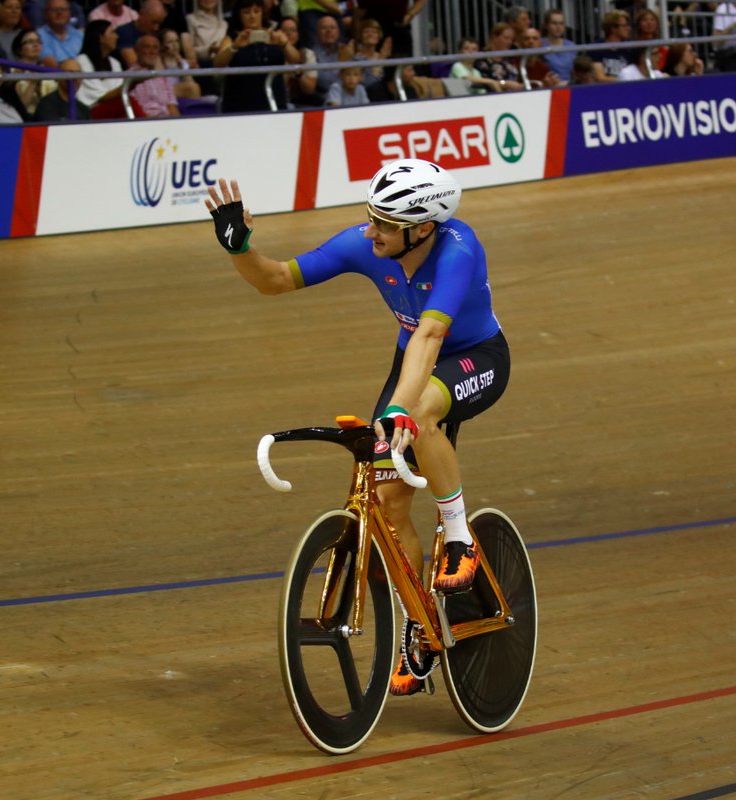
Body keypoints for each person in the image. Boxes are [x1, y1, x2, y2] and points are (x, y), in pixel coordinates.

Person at [204, 158, 510, 694]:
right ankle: (420, 627)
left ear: (423, 228)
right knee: (388, 506)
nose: (371, 232)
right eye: (371, 218)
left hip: (475, 357)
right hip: (412, 363)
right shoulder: (366, 244)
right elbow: (276, 280)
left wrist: (399, 408)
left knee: (419, 413)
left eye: (385, 224)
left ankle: (460, 538)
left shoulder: (458, 249)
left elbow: (430, 338)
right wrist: (239, 249)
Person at [216, 0, 291, 112]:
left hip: (274, 103)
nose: (252, 16)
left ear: (262, 12)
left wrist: (285, 44)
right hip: (240, 105)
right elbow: (218, 63)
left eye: (256, 11)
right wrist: (235, 46)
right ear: (239, 15)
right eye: (246, 12)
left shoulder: (275, 35)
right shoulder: (232, 38)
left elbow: (297, 61)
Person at [126, 32, 178, 116]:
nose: (152, 51)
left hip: (167, 120)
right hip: (145, 121)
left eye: (155, 48)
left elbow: (172, 107)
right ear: (137, 50)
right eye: (147, 47)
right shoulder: (129, 77)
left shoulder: (162, 77)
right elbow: (135, 111)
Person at [353, 0, 424, 58]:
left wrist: (409, 15)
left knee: (403, 61)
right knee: (375, 60)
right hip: (375, 26)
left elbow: (420, 1)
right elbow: (359, 11)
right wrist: (357, 37)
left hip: (399, 24)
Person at [473, 22, 524, 90]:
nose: (509, 42)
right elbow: (485, 82)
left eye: (511, 39)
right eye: (506, 38)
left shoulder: (510, 59)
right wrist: (504, 83)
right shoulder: (482, 59)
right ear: (495, 37)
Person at [589, 10, 631, 82]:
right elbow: (600, 78)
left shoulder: (629, 48)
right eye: (624, 25)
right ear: (613, 29)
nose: (628, 28)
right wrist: (623, 81)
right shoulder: (597, 48)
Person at [158, 26, 199, 98]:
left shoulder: (182, 61)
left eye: (177, 41)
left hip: (183, 96)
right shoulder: (159, 61)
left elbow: (191, 83)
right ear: (162, 45)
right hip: (167, 94)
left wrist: (182, 65)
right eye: (170, 42)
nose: (175, 45)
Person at [37, 0, 82, 67]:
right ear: (46, 14)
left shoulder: (80, 35)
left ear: (69, 13)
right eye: (54, 10)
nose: (59, 13)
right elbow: (50, 64)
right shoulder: (38, 36)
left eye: (63, 9)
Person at [349, 16, 389, 87]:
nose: (370, 34)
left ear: (378, 37)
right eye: (366, 32)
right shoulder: (356, 59)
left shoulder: (384, 56)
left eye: (374, 32)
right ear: (360, 36)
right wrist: (381, 60)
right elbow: (369, 83)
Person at [188, 0, 228, 66]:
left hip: (221, 65)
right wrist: (209, 50)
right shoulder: (190, 19)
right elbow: (189, 50)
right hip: (201, 66)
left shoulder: (224, 24)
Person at [540, 7, 575, 82]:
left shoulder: (571, 45)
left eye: (561, 23)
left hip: (569, 85)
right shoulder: (540, 44)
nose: (558, 27)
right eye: (554, 23)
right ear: (546, 25)